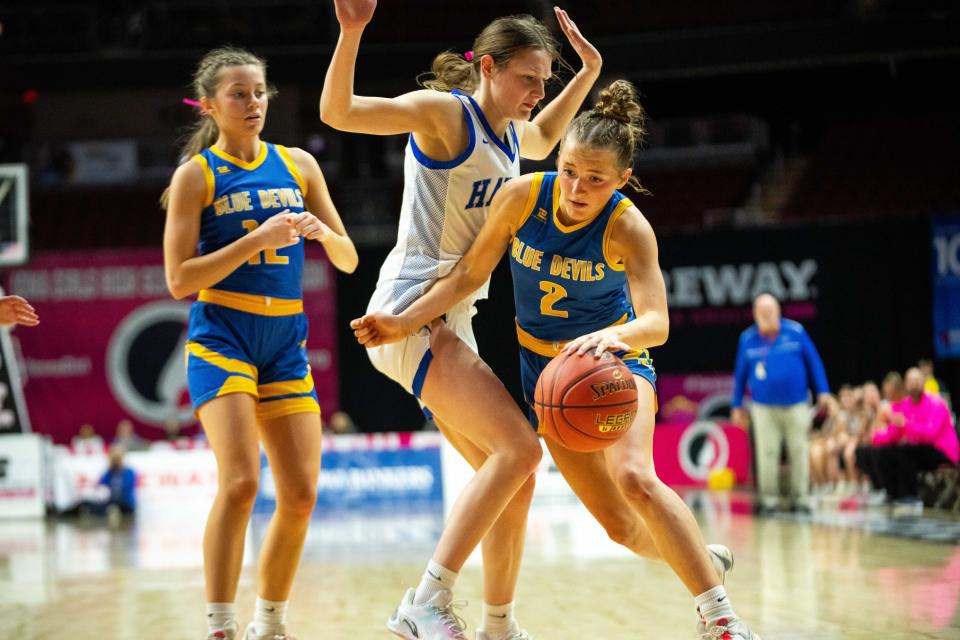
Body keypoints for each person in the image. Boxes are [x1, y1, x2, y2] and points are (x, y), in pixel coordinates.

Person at [353, 80, 760, 640]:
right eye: (569, 170)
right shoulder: (522, 196)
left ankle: (720, 617)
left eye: (595, 179)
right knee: (619, 527)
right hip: (548, 381)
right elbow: (469, 275)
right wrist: (402, 320)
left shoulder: (627, 226)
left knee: (636, 478)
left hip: (614, 365)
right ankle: (697, 560)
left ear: (620, 181)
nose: (576, 187)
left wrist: (615, 337)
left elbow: (657, 322)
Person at [322, 3, 603, 639]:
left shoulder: (511, 134)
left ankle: (498, 627)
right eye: (528, 78)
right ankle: (425, 600)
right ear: (487, 68)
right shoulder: (448, 115)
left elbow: (547, 137)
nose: (538, 92)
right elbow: (339, 114)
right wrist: (352, 31)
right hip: (409, 307)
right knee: (521, 448)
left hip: (453, 315)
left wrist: (587, 71)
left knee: (515, 477)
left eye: (544, 81)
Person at [163, 46, 358, 640]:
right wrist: (257, 240)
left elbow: (349, 261)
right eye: (239, 94)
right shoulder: (197, 175)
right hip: (223, 336)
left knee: (300, 494)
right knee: (243, 481)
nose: (253, 103)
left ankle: (268, 623)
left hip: (284, 344)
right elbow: (178, 280)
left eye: (259, 91)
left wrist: (324, 232)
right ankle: (220, 624)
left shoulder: (299, 164)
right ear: (211, 105)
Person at [731, 293, 830, 514]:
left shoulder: (795, 331)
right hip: (763, 406)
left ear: (778, 311)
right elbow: (740, 376)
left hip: (797, 404)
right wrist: (736, 405)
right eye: (762, 311)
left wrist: (823, 390)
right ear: (756, 314)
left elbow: (814, 362)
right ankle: (769, 501)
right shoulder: (747, 338)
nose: (766, 314)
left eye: (770, 310)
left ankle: (801, 499)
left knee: (799, 450)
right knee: (767, 453)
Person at [867, 367, 959, 510]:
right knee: (883, 451)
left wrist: (906, 425)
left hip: (942, 451)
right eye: (911, 381)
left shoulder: (936, 403)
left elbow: (930, 434)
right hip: (919, 449)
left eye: (917, 380)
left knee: (906, 450)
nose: (915, 384)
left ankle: (910, 496)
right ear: (906, 384)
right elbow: (894, 433)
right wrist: (876, 438)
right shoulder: (904, 404)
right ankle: (891, 493)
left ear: (923, 382)